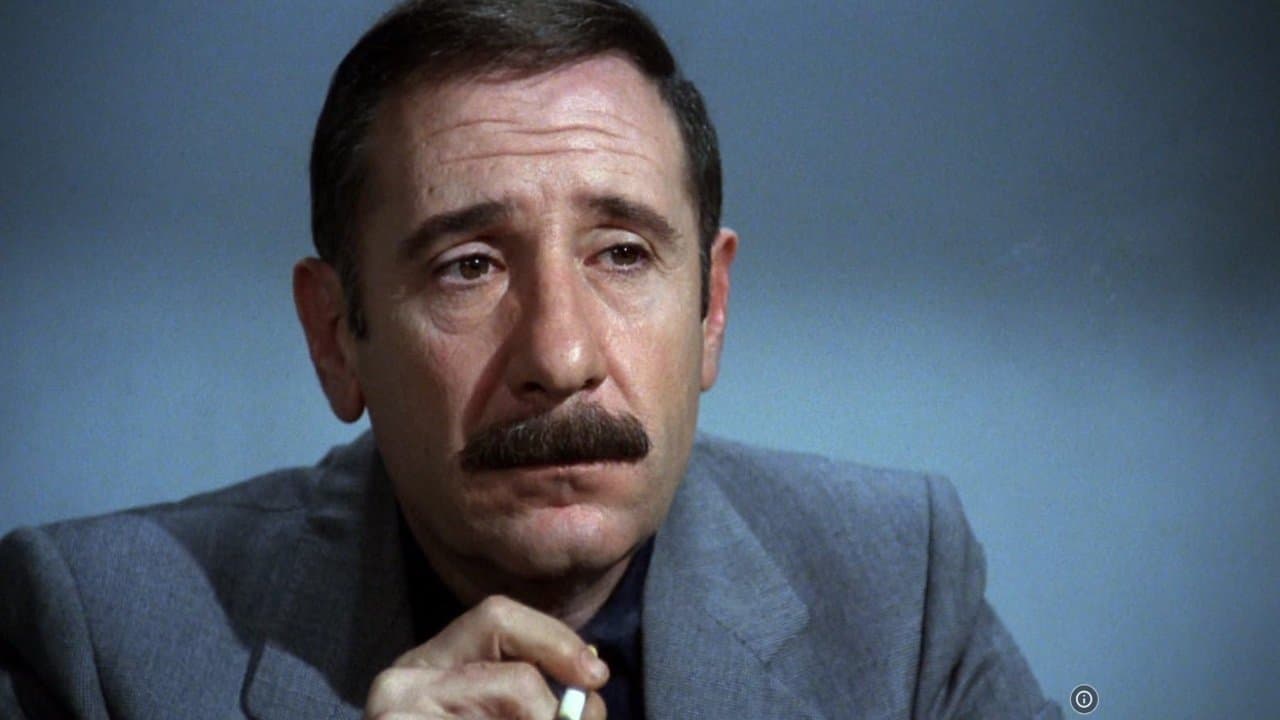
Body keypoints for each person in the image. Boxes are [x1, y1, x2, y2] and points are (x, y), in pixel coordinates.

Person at [0, 1, 1060, 717]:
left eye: (623, 253)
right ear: (335, 336)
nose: (560, 355)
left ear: (711, 309)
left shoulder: (899, 587)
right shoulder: (99, 638)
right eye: (467, 267)